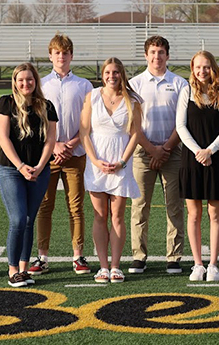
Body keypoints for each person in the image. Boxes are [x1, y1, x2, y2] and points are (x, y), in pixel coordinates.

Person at [29, 34, 93, 276]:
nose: (61, 57)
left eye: (65, 53)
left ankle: (78, 256)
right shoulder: (42, 84)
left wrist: (73, 142)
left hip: (76, 153)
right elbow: (37, 120)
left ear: (71, 56)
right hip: (49, 154)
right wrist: (54, 145)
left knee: (76, 206)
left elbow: (88, 121)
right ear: (50, 56)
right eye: (57, 53)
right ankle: (42, 256)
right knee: (45, 206)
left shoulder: (84, 85)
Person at [128, 36, 187, 274]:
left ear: (168, 55)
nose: (157, 56)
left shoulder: (181, 83)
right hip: (143, 152)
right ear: (146, 55)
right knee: (139, 206)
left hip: (173, 152)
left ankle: (174, 256)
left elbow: (184, 121)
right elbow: (133, 125)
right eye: (152, 52)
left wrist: (166, 149)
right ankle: (139, 256)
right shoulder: (134, 83)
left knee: (174, 206)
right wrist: (153, 150)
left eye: (161, 52)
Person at [80, 57, 141, 284]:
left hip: (121, 164)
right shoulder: (92, 96)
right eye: (108, 72)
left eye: (116, 72)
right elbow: (84, 132)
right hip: (97, 164)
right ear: (103, 74)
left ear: (121, 74)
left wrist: (123, 162)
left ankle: (116, 266)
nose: (111, 76)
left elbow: (135, 133)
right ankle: (102, 267)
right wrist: (95, 161)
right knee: (100, 216)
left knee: (117, 216)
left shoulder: (132, 100)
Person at [0, 63, 57, 287]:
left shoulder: (46, 106)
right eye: (21, 80)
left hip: (39, 171)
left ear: (36, 81)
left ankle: (24, 269)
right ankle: (13, 271)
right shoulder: (6, 103)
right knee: (18, 219)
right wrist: (21, 166)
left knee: (30, 220)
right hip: (12, 170)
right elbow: (3, 138)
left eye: (29, 79)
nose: (25, 83)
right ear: (15, 82)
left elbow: (51, 140)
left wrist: (40, 166)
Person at [176, 50, 219, 282]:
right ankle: (198, 264)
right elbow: (180, 126)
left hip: (215, 158)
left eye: (206, 66)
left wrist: (210, 150)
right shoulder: (186, 92)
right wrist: (198, 151)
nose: (202, 71)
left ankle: (213, 264)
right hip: (192, 159)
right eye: (198, 67)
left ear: (213, 68)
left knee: (214, 213)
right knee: (194, 213)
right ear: (193, 68)